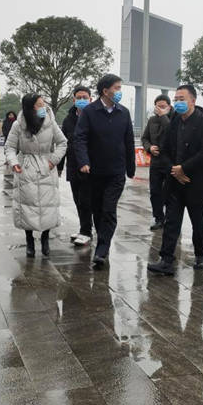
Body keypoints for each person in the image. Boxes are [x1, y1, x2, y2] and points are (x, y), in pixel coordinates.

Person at [148, 85, 203, 275]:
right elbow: (165, 149)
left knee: (198, 221)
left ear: (193, 100)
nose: (178, 102)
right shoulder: (175, 121)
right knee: (171, 222)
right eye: (176, 99)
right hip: (174, 180)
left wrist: (183, 168)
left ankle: (200, 255)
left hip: (195, 181)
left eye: (182, 99)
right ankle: (166, 260)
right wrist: (174, 169)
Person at [73, 73, 135, 267]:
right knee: (98, 210)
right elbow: (80, 138)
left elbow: (129, 141)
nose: (119, 92)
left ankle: (102, 248)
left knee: (109, 209)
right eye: (117, 88)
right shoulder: (89, 112)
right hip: (94, 172)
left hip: (116, 172)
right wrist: (83, 161)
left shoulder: (124, 113)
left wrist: (131, 168)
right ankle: (103, 240)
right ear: (105, 91)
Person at [5, 94, 67, 257]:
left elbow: (62, 142)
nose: (43, 107)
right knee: (26, 206)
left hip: (46, 167)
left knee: (48, 206)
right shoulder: (18, 125)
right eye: (39, 105)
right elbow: (10, 147)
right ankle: (29, 241)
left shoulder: (50, 122)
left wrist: (53, 161)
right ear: (30, 107)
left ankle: (45, 239)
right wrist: (14, 162)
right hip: (25, 168)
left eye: (43, 104)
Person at [59, 85, 94, 246]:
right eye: (78, 97)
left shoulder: (94, 117)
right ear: (73, 99)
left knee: (86, 200)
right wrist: (60, 167)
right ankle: (84, 228)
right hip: (73, 166)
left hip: (89, 166)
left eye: (84, 97)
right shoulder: (68, 120)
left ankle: (86, 231)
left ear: (90, 99)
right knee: (77, 200)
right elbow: (63, 144)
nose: (81, 100)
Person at [141, 94, 173, 230]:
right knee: (155, 192)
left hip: (170, 162)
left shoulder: (174, 119)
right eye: (158, 106)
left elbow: (172, 133)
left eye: (163, 106)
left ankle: (171, 218)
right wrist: (149, 148)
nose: (160, 109)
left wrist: (164, 116)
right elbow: (144, 138)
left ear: (169, 107)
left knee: (170, 192)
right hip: (156, 162)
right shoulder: (152, 120)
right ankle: (158, 218)